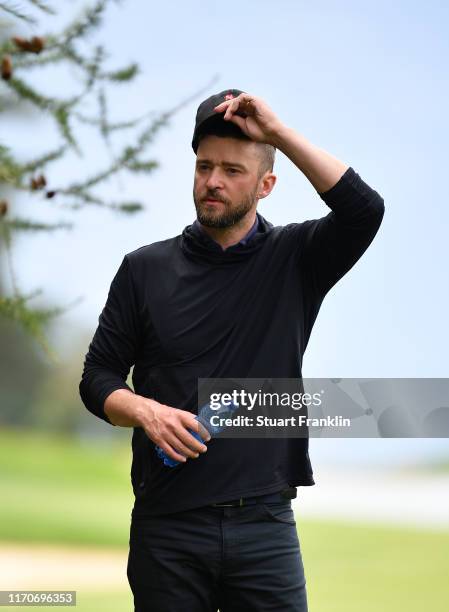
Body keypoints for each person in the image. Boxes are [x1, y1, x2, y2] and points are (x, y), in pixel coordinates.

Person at [79, 88, 385, 611]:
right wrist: (144, 411)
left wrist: (279, 134)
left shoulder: (297, 258)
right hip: (167, 529)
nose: (213, 182)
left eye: (232, 170)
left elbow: (363, 210)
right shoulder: (143, 269)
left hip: (264, 525)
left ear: (267, 184)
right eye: (203, 167)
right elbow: (97, 378)